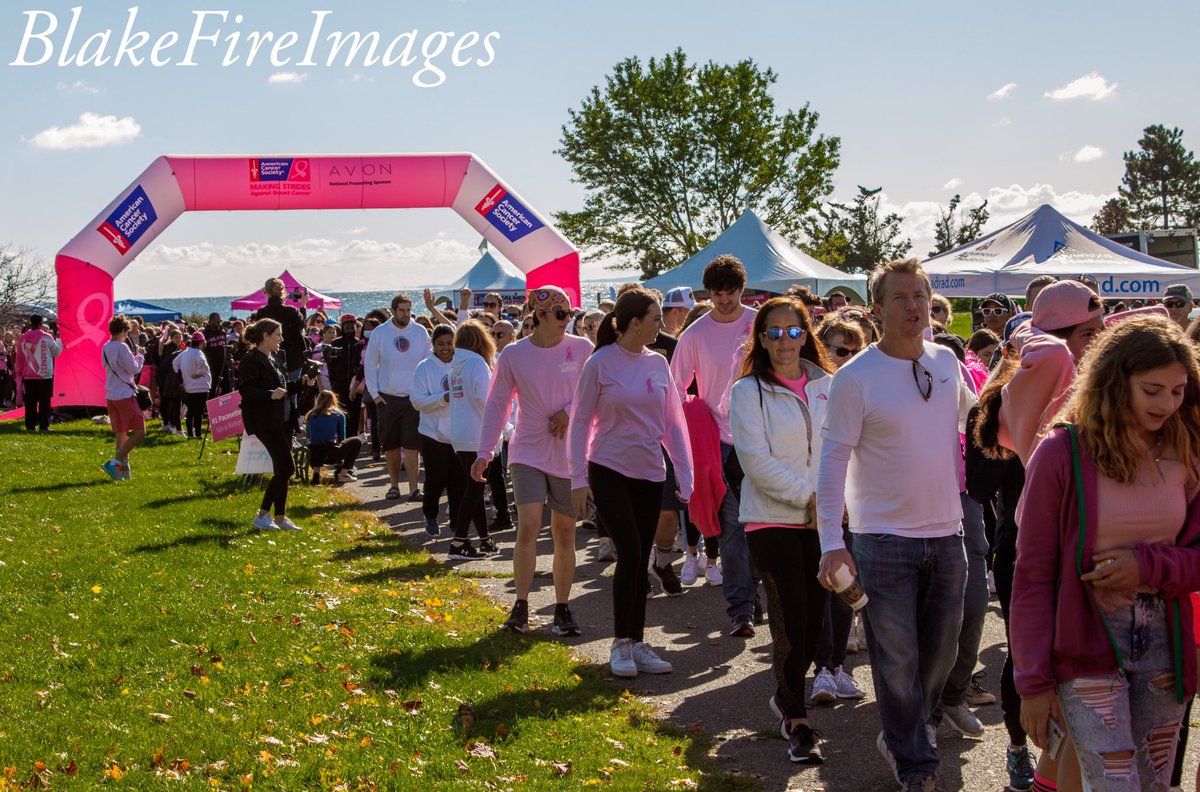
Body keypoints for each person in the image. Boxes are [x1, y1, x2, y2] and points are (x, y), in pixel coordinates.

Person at [1012, 315, 1200, 791]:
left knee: (1154, 784)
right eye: (1152, 389)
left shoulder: (1188, 448)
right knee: (1113, 783)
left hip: (1165, 643)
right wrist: (1032, 683)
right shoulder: (1060, 452)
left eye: (1178, 391)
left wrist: (1148, 565)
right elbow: (1032, 575)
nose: (1167, 404)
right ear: (1116, 382)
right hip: (1087, 640)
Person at [816, 258, 976, 791]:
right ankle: (912, 759)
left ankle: (910, 728)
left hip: (947, 533)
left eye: (921, 296)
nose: (913, 306)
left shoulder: (947, 362)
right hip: (882, 539)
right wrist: (832, 544)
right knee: (897, 658)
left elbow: (974, 420)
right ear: (877, 309)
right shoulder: (855, 377)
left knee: (942, 652)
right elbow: (832, 461)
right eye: (901, 297)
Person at [729, 296, 834, 764]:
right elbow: (754, 459)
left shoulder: (830, 386)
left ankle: (787, 695)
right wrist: (806, 498)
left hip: (823, 520)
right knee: (790, 619)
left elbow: (843, 451)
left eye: (794, 331)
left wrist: (832, 503)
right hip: (771, 519)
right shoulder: (747, 391)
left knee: (815, 624)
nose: (784, 341)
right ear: (761, 338)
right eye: (773, 332)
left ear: (806, 332)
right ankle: (796, 718)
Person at [569, 288, 693, 677]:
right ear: (635, 322)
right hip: (607, 468)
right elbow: (579, 423)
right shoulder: (600, 362)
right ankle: (621, 643)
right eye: (656, 317)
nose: (663, 324)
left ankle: (638, 643)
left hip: (650, 471)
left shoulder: (658, 363)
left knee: (640, 559)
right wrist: (577, 477)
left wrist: (685, 475)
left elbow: (674, 422)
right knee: (632, 554)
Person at [472, 286, 593, 637]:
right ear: (539, 315)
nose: (567, 321)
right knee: (528, 524)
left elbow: (593, 394)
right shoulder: (513, 354)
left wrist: (569, 412)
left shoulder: (581, 348)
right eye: (560, 314)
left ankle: (562, 607)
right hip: (526, 449)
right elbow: (498, 404)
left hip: (569, 454)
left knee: (565, 531)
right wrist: (485, 452)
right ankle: (520, 605)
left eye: (570, 314)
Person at [670, 254, 759, 637]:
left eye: (731, 292)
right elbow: (673, 389)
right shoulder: (694, 335)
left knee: (766, 526)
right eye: (717, 294)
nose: (724, 300)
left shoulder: (761, 324)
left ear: (742, 289)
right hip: (719, 442)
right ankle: (741, 609)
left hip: (764, 438)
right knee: (733, 529)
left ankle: (758, 597)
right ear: (707, 293)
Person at [362, 294, 431, 502]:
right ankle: (393, 486)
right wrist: (374, 394)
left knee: (412, 446)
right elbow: (370, 363)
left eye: (408, 310)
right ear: (393, 311)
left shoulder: (420, 332)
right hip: (387, 397)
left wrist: (425, 392)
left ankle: (413, 489)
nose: (406, 314)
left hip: (413, 398)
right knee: (391, 445)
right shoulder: (380, 333)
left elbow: (428, 363)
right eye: (401, 310)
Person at [238, 318, 304, 532]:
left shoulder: (274, 358)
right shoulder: (251, 360)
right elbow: (246, 391)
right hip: (266, 421)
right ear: (265, 335)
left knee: (281, 469)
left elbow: (283, 390)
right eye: (278, 335)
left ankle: (280, 517)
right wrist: (269, 395)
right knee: (287, 467)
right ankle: (262, 515)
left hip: (282, 420)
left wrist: (303, 384)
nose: (281, 339)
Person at [447, 322, 499, 559]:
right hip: (478, 433)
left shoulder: (455, 366)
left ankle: (485, 539)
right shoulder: (477, 364)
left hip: (460, 433)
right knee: (474, 489)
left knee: (475, 487)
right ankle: (458, 543)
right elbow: (486, 401)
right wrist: (504, 427)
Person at [411, 325, 458, 536]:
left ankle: (457, 523)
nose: (445, 348)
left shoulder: (462, 363)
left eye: (449, 343)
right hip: (432, 432)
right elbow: (417, 401)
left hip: (459, 431)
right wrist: (443, 398)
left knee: (459, 479)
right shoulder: (424, 367)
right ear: (433, 344)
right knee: (436, 479)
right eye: (440, 344)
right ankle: (430, 515)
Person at [100, 315, 145, 481]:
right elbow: (134, 368)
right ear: (123, 331)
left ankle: (123, 471)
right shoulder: (122, 346)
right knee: (140, 432)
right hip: (125, 394)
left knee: (121, 432)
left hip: (111, 394)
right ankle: (115, 462)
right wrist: (140, 356)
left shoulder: (106, 347)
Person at [304, 390, 362, 485]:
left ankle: (316, 474)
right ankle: (343, 474)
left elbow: (310, 437)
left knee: (316, 445)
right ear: (333, 400)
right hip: (330, 454)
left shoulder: (310, 415)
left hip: (313, 455)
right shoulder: (338, 414)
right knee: (357, 441)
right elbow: (341, 438)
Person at [14, 315, 61, 432]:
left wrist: (18, 373)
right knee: (44, 401)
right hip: (44, 374)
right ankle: (44, 426)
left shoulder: (23, 338)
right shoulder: (47, 337)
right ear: (41, 324)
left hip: (28, 374)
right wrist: (59, 340)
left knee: (30, 401)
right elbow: (56, 353)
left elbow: (19, 357)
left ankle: (30, 426)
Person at [255, 278, 307, 378]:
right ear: (282, 292)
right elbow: (302, 326)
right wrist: (303, 306)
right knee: (292, 390)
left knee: (273, 391)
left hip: (269, 358)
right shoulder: (292, 311)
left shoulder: (262, 313)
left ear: (266, 292)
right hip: (293, 359)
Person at [173, 331, 212, 440]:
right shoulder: (198, 353)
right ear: (201, 343)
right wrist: (199, 372)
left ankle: (190, 434)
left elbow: (175, 363)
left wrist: (181, 374)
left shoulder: (185, 352)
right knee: (198, 413)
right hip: (201, 387)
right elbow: (202, 362)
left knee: (190, 412)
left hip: (188, 386)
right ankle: (198, 434)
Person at [157, 329, 185, 435]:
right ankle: (175, 427)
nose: (178, 339)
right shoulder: (172, 350)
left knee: (170, 404)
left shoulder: (175, 348)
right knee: (173, 404)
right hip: (170, 381)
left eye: (180, 337)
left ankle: (171, 425)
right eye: (176, 337)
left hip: (167, 380)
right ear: (172, 338)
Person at [202, 313, 228, 395]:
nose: (219, 322)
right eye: (217, 321)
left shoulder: (223, 332)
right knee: (212, 387)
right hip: (211, 364)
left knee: (226, 386)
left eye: (220, 320)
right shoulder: (205, 334)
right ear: (211, 321)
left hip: (223, 363)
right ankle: (210, 405)